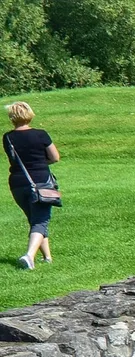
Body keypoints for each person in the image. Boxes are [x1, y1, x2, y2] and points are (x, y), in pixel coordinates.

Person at [4, 102, 59, 270]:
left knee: (35, 220)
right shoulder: (41, 135)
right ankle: (29, 256)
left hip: (17, 183)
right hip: (41, 181)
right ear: (30, 114)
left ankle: (47, 257)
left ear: (12, 117)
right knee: (40, 220)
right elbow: (55, 157)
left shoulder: (7, 137)